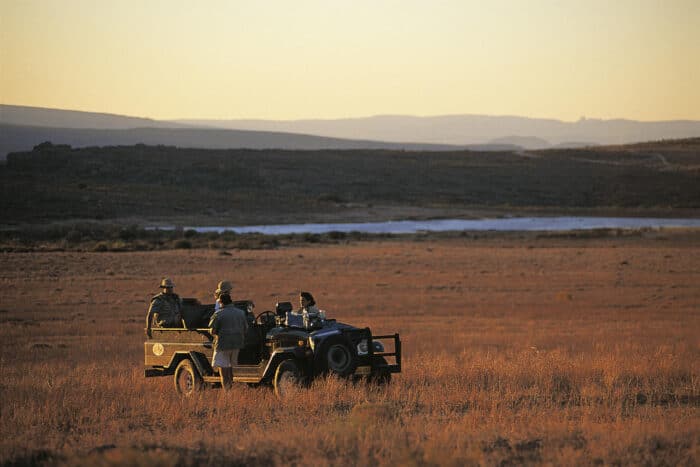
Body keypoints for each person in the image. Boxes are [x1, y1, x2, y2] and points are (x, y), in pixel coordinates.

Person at [208, 282, 249, 390]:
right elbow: (246, 328)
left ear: (221, 303)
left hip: (223, 345)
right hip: (237, 344)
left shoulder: (218, 314)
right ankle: (230, 386)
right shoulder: (240, 313)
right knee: (231, 368)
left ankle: (227, 391)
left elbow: (212, 330)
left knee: (223, 369)